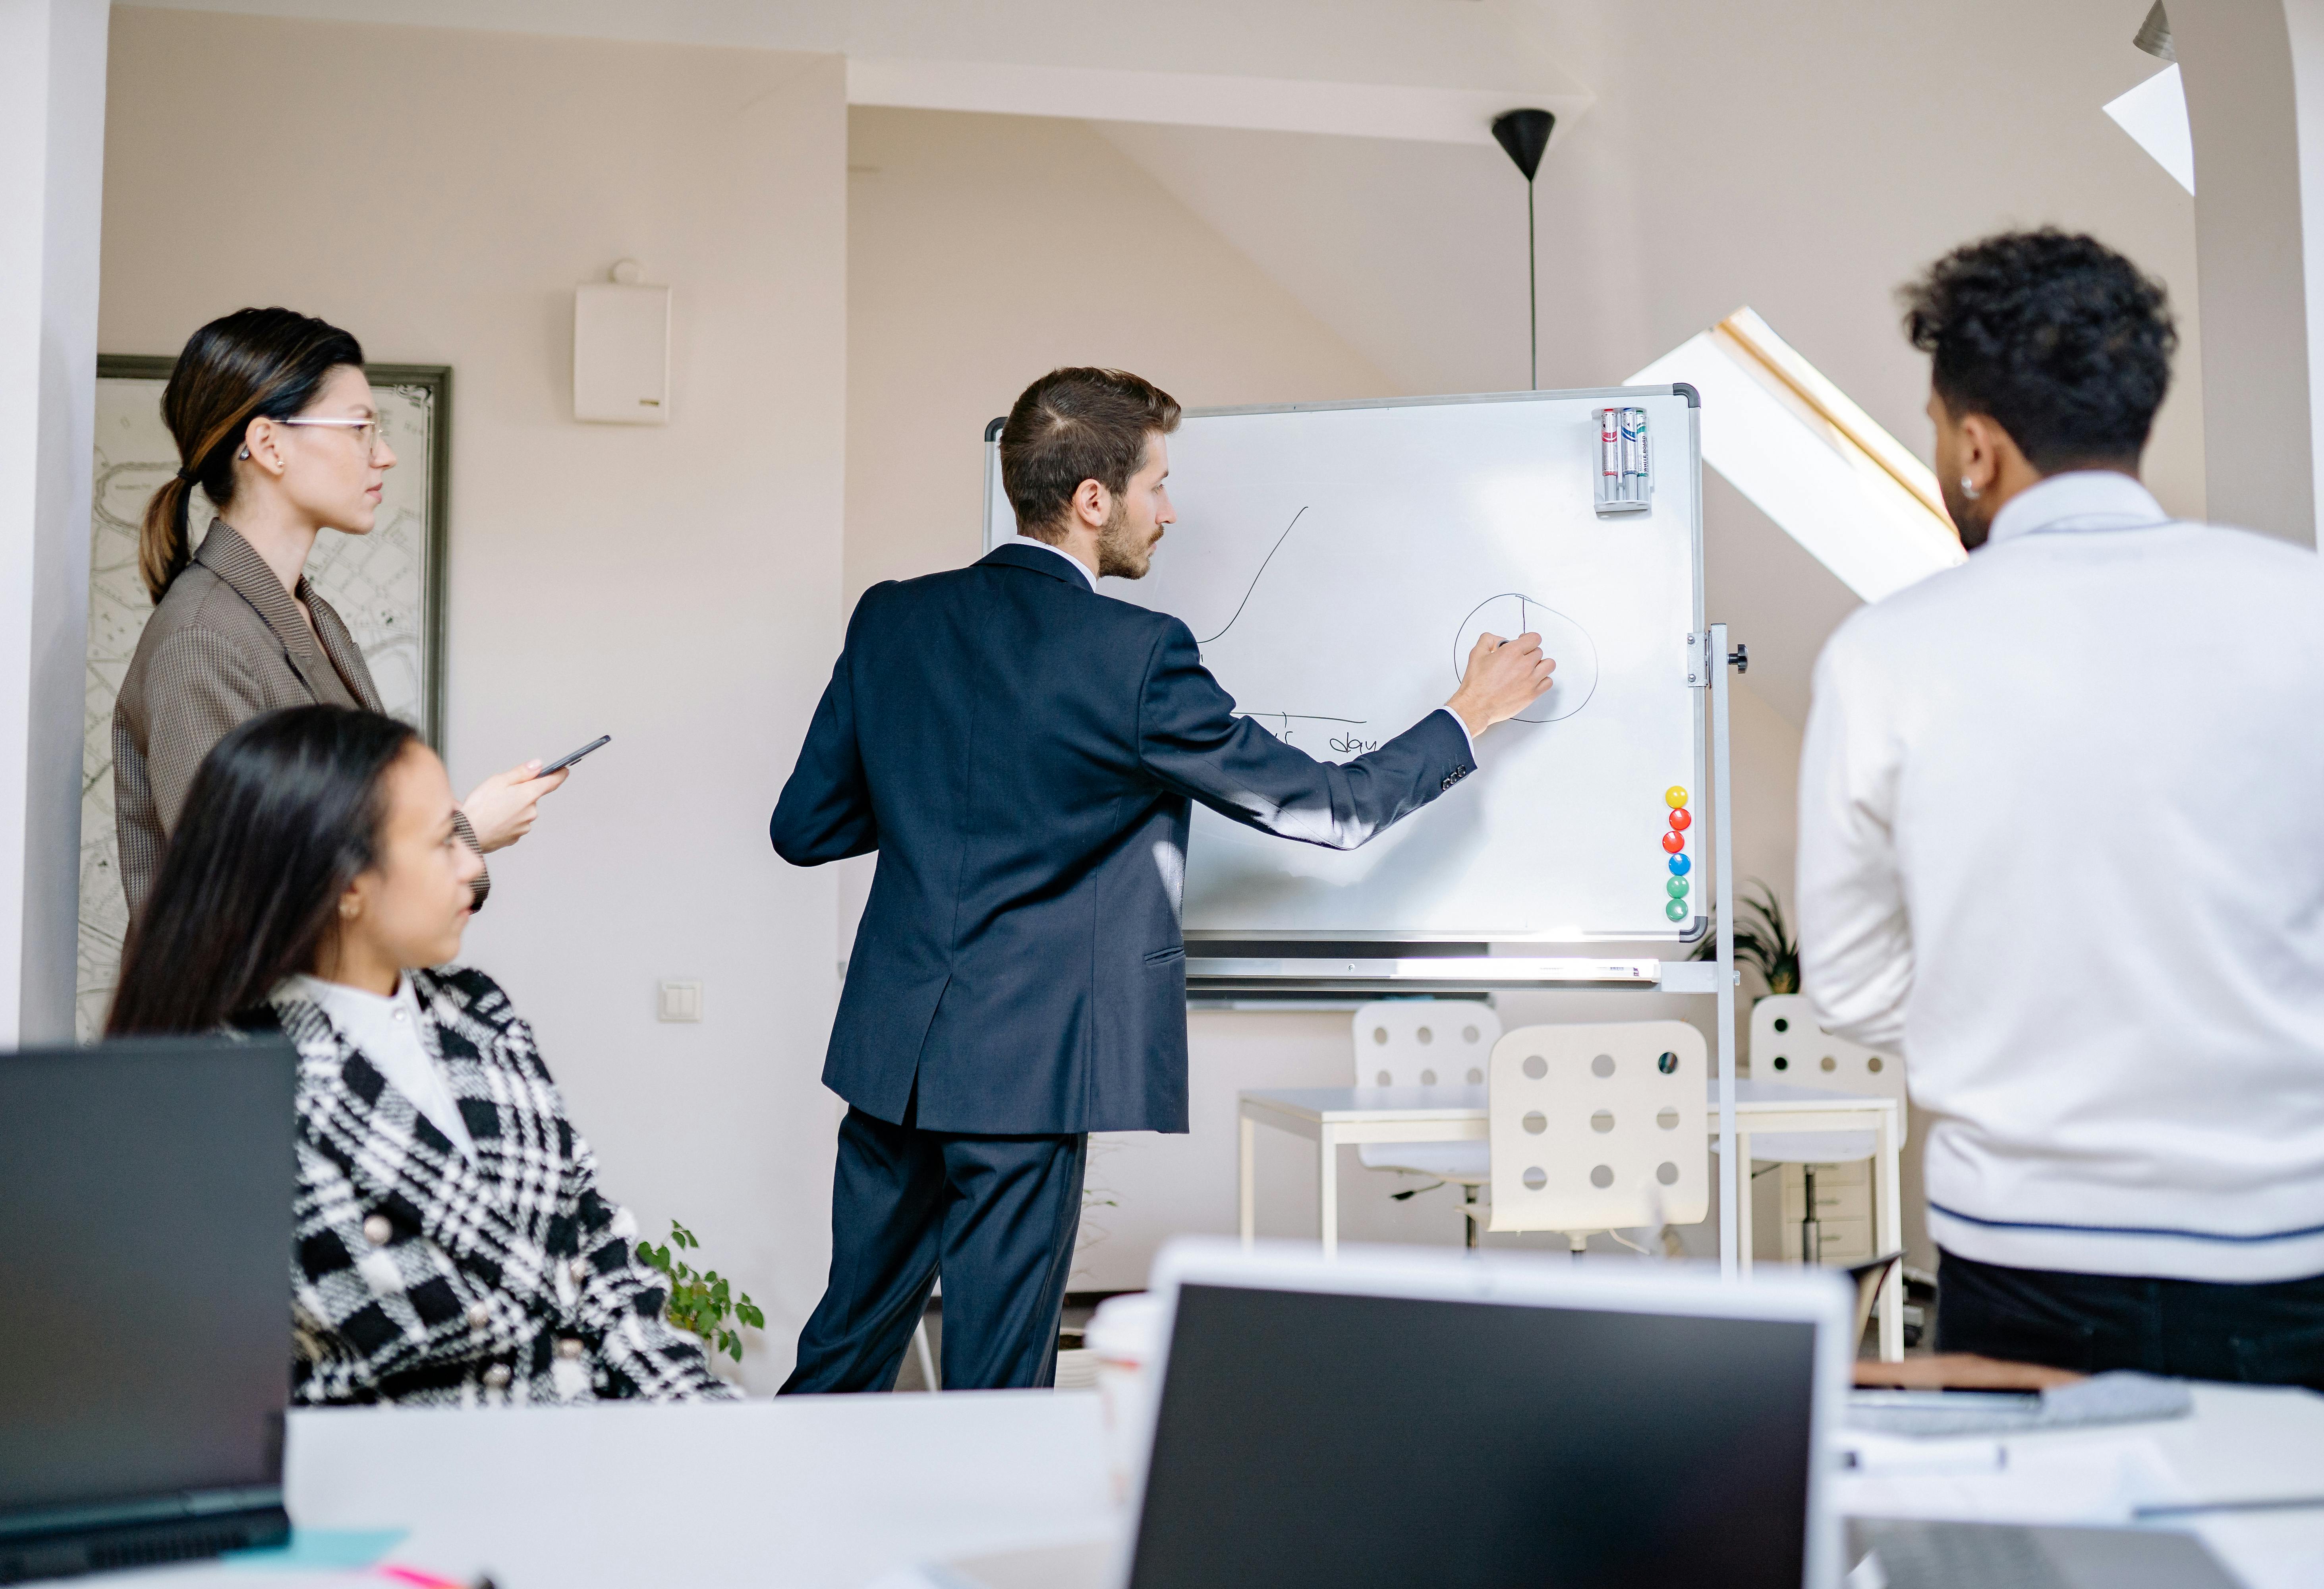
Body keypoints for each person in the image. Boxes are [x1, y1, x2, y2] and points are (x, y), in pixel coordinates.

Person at [770, 367, 1555, 1393]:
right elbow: (1332, 809)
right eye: (1157, 484)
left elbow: (805, 827)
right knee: (994, 1389)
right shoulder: (1134, 657)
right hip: (1023, 1078)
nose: (1170, 509)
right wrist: (1470, 715)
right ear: (1093, 500)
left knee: (840, 1358)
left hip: (893, 1064)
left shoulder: (892, 619)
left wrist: (941, 793)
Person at [1798, 229, 2324, 1406]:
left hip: (2026, 1255)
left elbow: (1850, 984)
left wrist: (2024, 1019)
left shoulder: (1888, 657)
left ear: (1976, 443)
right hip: (2306, 1248)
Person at [108, 705, 730, 1407]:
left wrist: (703, 1423)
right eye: (445, 842)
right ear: (347, 886)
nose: (474, 866)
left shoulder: (478, 1012)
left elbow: (598, 1250)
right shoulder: (232, 1093)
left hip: (600, 1449)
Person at [113, 307, 562, 920]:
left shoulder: (310, 613)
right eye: (360, 428)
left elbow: (340, 842)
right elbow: (245, 899)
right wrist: (464, 836)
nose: (384, 456)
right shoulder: (201, 639)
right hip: (255, 1016)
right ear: (269, 444)